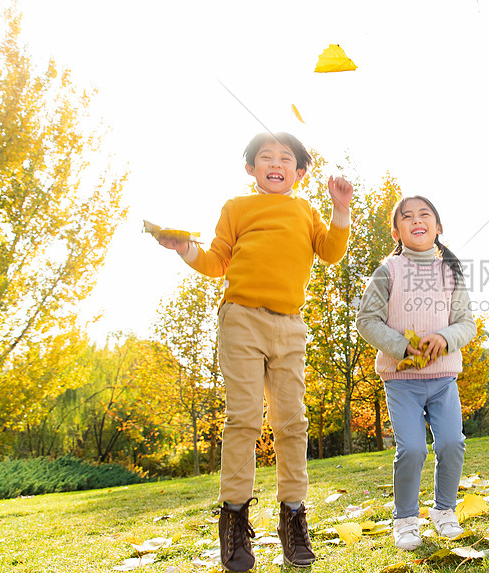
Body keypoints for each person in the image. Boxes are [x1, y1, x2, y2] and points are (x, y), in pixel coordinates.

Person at [155, 131, 353, 571]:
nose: (276, 162)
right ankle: (234, 523)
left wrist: (341, 210)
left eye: (286, 158)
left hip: (289, 324)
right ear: (252, 169)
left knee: (291, 422)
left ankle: (293, 519)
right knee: (243, 418)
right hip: (241, 317)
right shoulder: (237, 208)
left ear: (300, 173)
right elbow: (215, 263)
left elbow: (332, 252)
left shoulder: (305, 210)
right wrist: (186, 249)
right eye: (267, 157)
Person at [356, 196, 476, 551]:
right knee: (411, 449)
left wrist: (445, 337)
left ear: (438, 227)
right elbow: (366, 321)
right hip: (401, 381)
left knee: (452, 444)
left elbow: (466, 324)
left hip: (443, 380)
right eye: (406, 217)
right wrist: (400, 346)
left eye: (425, 215)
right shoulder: (387, 270)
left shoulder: (450, 272)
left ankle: (444, 511)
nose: (416, 220)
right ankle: (406, 519)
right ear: (396, 231)